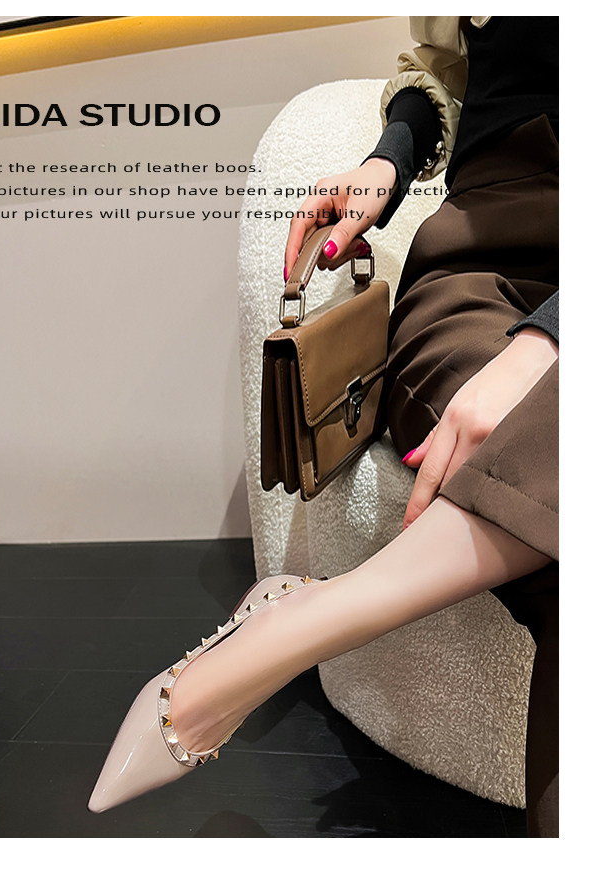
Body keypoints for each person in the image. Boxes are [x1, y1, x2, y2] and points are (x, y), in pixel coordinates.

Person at [88, 16, 559, 838]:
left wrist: (556, 338)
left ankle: (304, 623)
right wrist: (387, 160)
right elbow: (448, 69)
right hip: (492, 254)